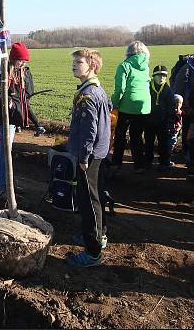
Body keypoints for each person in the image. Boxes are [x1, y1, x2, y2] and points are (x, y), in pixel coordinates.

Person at [65, 49, 111, 268]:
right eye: (74, 61)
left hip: (89, 155)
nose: (74, 65)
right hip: (98, 152)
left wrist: (83, 156)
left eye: (79, 62)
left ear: (91, 65)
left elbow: (89, 131)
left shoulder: (88, 95)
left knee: (88, 200)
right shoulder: (97, 89)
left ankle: (93, 252)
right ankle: (98, 235)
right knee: (96, 195)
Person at [0, 42, 39, 198]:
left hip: (17, 116)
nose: (23, 63)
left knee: (9, 151)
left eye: (25, 60)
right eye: (20, 60)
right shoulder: (5, 73)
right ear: (13, 59)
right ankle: (2, 187)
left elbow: (28, 93)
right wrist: (6, 97)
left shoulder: (25, 73)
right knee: (5, 152)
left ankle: (9, 185)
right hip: (6, 118)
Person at [110, 41, 151, 173]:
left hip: (126, 107)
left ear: (128, 52)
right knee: (137, 136)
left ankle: (116, 163)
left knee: (120, 136)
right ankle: (139, 165)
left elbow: (120, 89)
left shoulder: (124, 66)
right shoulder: (146, 66)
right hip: (143, 107)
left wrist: (113, 104)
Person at [143, 65, 176, 170]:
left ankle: (164, 163)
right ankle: (147, 162)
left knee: (163, 144)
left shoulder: (168, 90)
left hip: (163, 122)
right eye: (158, 75)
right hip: (149, 121)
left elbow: (171, 108)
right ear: (153, 76)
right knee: (148, 143)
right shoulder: (147, 88)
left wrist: (170, 123)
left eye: (164, 76)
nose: (161, 78)